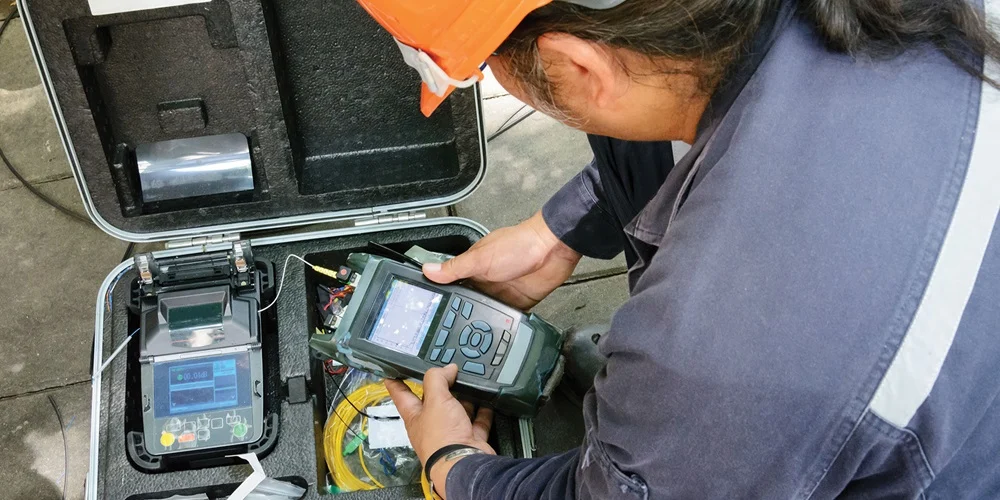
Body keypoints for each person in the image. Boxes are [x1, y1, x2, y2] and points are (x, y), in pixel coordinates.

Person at [360, 0, 1000, 498]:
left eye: (484, 66)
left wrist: (454, 466)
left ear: (578, 66)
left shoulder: (722, 346)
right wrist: (557, 231)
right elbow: (676, 134)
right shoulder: (841, 28)